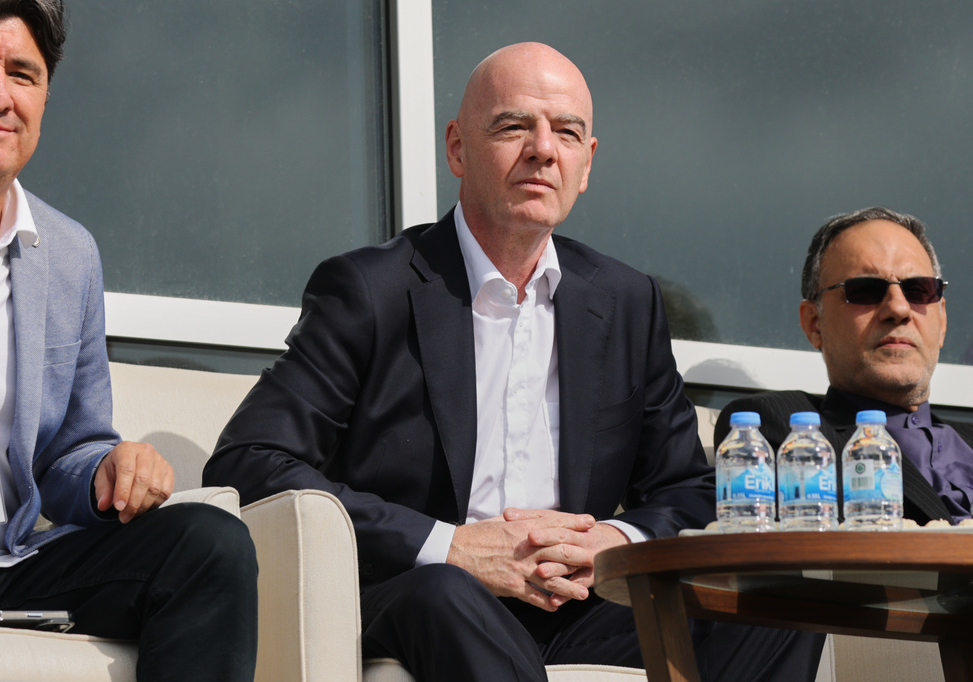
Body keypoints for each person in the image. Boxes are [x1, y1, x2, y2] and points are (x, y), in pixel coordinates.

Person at [206, 42, 822, 681]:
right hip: (423, 594)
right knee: (445, 592)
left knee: (778, 596)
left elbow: (687, 487)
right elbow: (251, 460)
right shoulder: (369, 291)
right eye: (512, 126)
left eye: (566, 132)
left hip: (582, 603)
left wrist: (614, 542)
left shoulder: (626, 301)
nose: (543, 149)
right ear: (457, 148)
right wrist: (454, 547)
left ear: (586, 163)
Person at [0, 1, 258, 678]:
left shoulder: (68, 254)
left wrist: (105, 473)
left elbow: (71, 449)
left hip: (6, 556)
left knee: (210, 544)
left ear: (46, 95)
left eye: (22, 75)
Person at [715, 207, 971, 526]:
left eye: (918, 290)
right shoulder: (785, 430)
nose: (899, 308)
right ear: (814, 324)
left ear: (942, 320)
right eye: (865, 290)